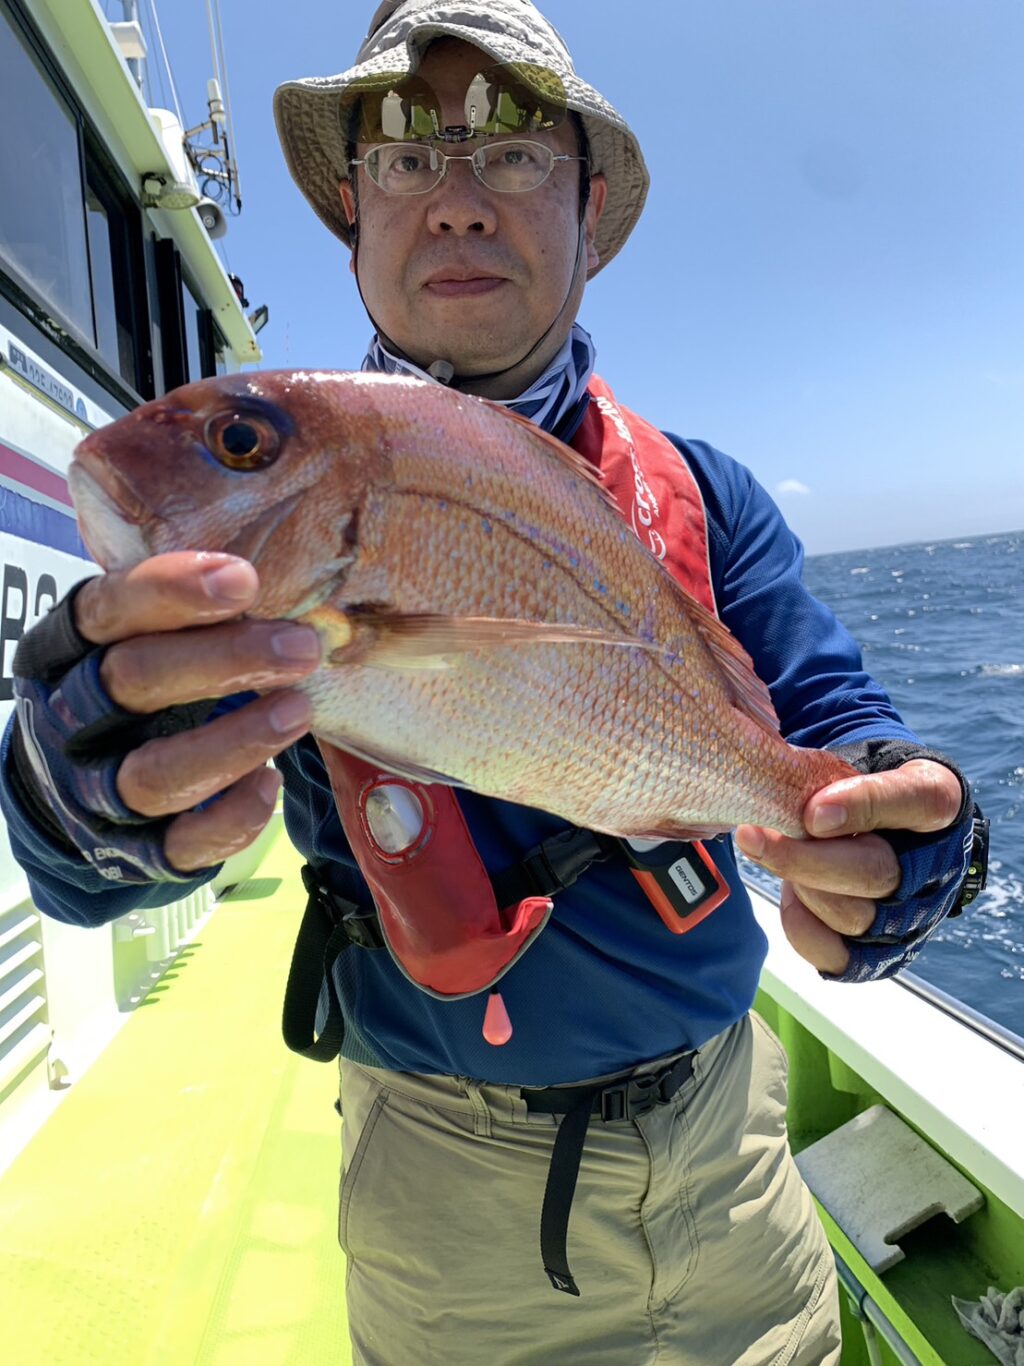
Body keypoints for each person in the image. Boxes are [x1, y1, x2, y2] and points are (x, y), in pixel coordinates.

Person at [1, 2, 985, 1362]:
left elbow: (840, 729)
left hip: (737, 1165)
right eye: (406, 153)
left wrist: (909, 843)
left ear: (592, 213)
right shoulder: (261, 543)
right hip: (446, 1211)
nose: (457, 200)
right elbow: (101, 874)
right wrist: (78, 798)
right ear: (352, 214)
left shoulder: (706, 496)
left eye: (514, 152)